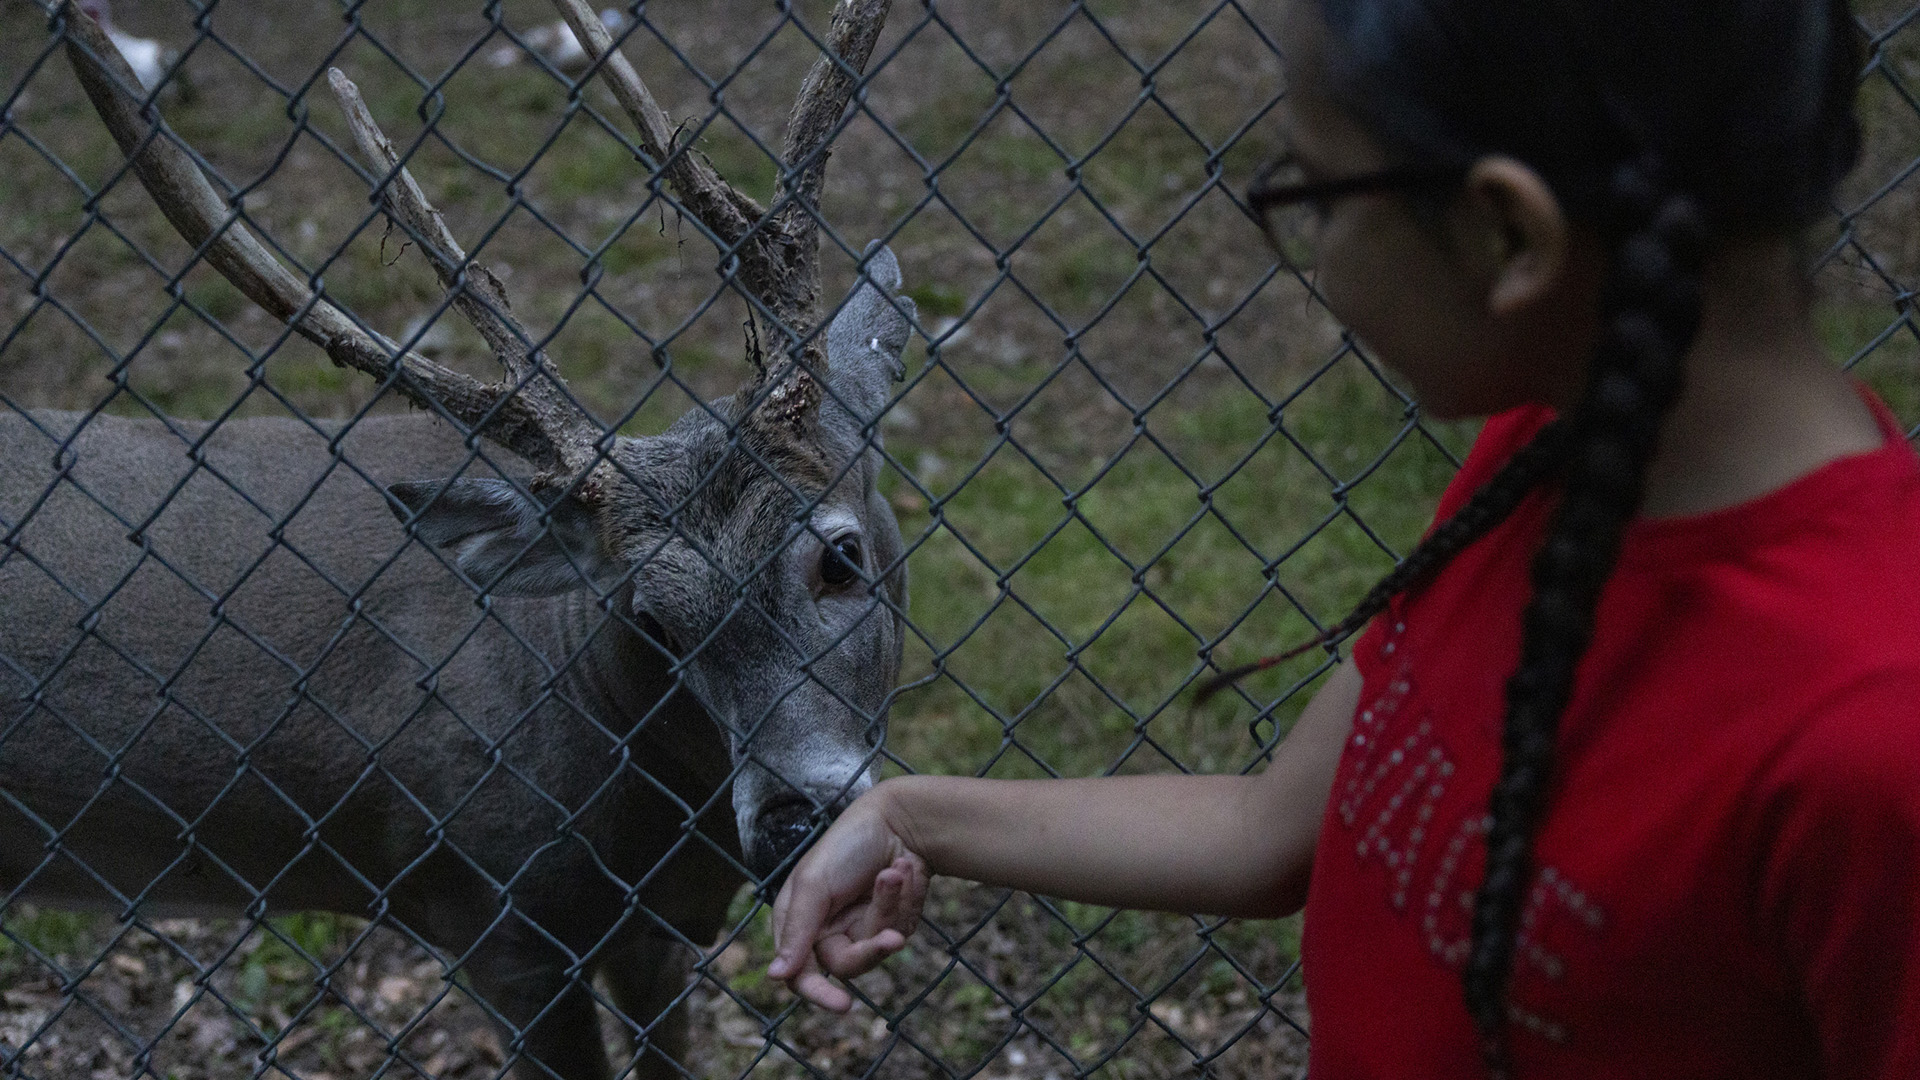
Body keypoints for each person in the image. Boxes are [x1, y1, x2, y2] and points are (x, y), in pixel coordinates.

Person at [766, 0, 1920, 1076]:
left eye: (1316, 192)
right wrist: (909, 815)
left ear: (1506, 232)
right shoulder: (1552, 452)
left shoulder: (1872, 742)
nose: (1315, 253)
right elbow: (1275, 829)